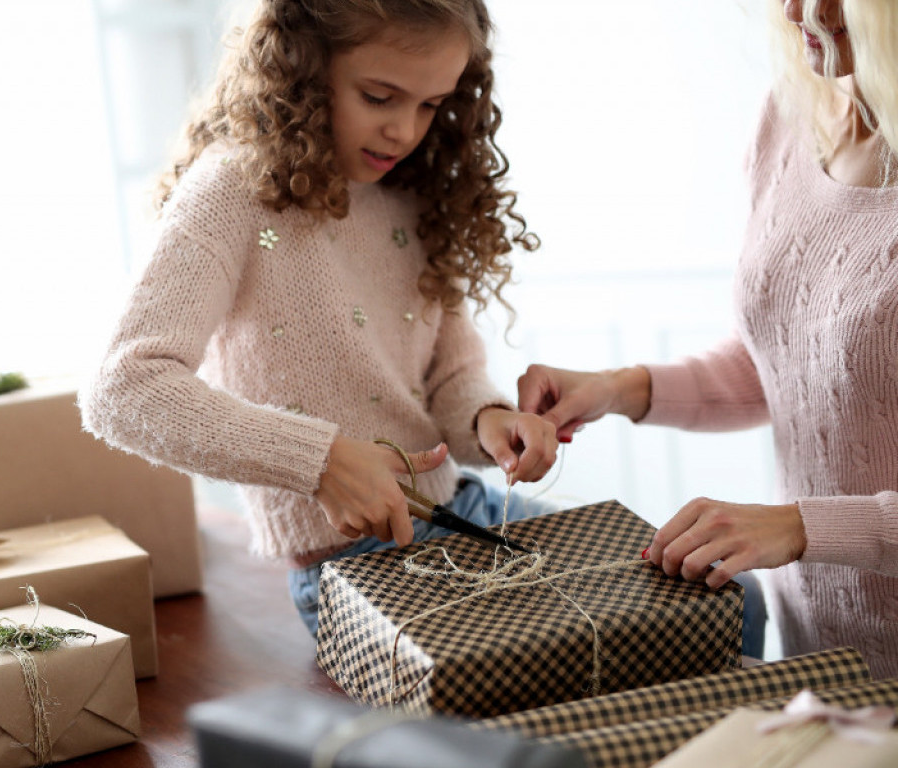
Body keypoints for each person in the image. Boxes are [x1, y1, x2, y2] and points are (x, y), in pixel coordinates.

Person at [81, 0, 559, 635]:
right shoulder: (230, 192)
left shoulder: (411, 190)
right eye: (380, 96)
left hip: (467, 511)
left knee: (723, 606)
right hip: (354, 568)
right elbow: (122, 389)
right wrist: (319, 461)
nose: (405, 131)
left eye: (429, 105)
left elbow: (451, 373)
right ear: (303, 65)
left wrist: (488, 419)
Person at [517, 0, 897, 676]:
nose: (799, 10)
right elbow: (788, 365)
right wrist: (619, 389)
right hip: (816, 637)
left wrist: (799, 525)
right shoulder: (790, 114)